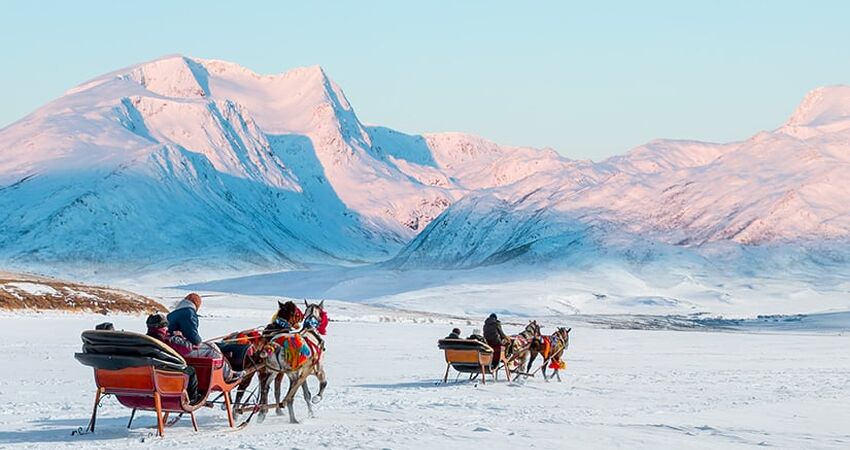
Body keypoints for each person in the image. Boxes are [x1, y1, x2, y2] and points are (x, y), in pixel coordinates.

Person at [167, 293, 238, 380]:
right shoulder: (188, 312)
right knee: (212, 348)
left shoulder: (172, 314)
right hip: (182, 349)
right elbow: (195, 339)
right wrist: (198, 341)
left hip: (171, 348)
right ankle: (228, 375)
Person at [145, 313, 201, 403]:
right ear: (164, 326)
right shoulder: (168, 340)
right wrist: (179, 336)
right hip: (166, 374)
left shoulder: (145, 340)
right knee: (191, 370)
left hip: (148, 374)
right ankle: (193, 398)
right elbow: (187, 348)